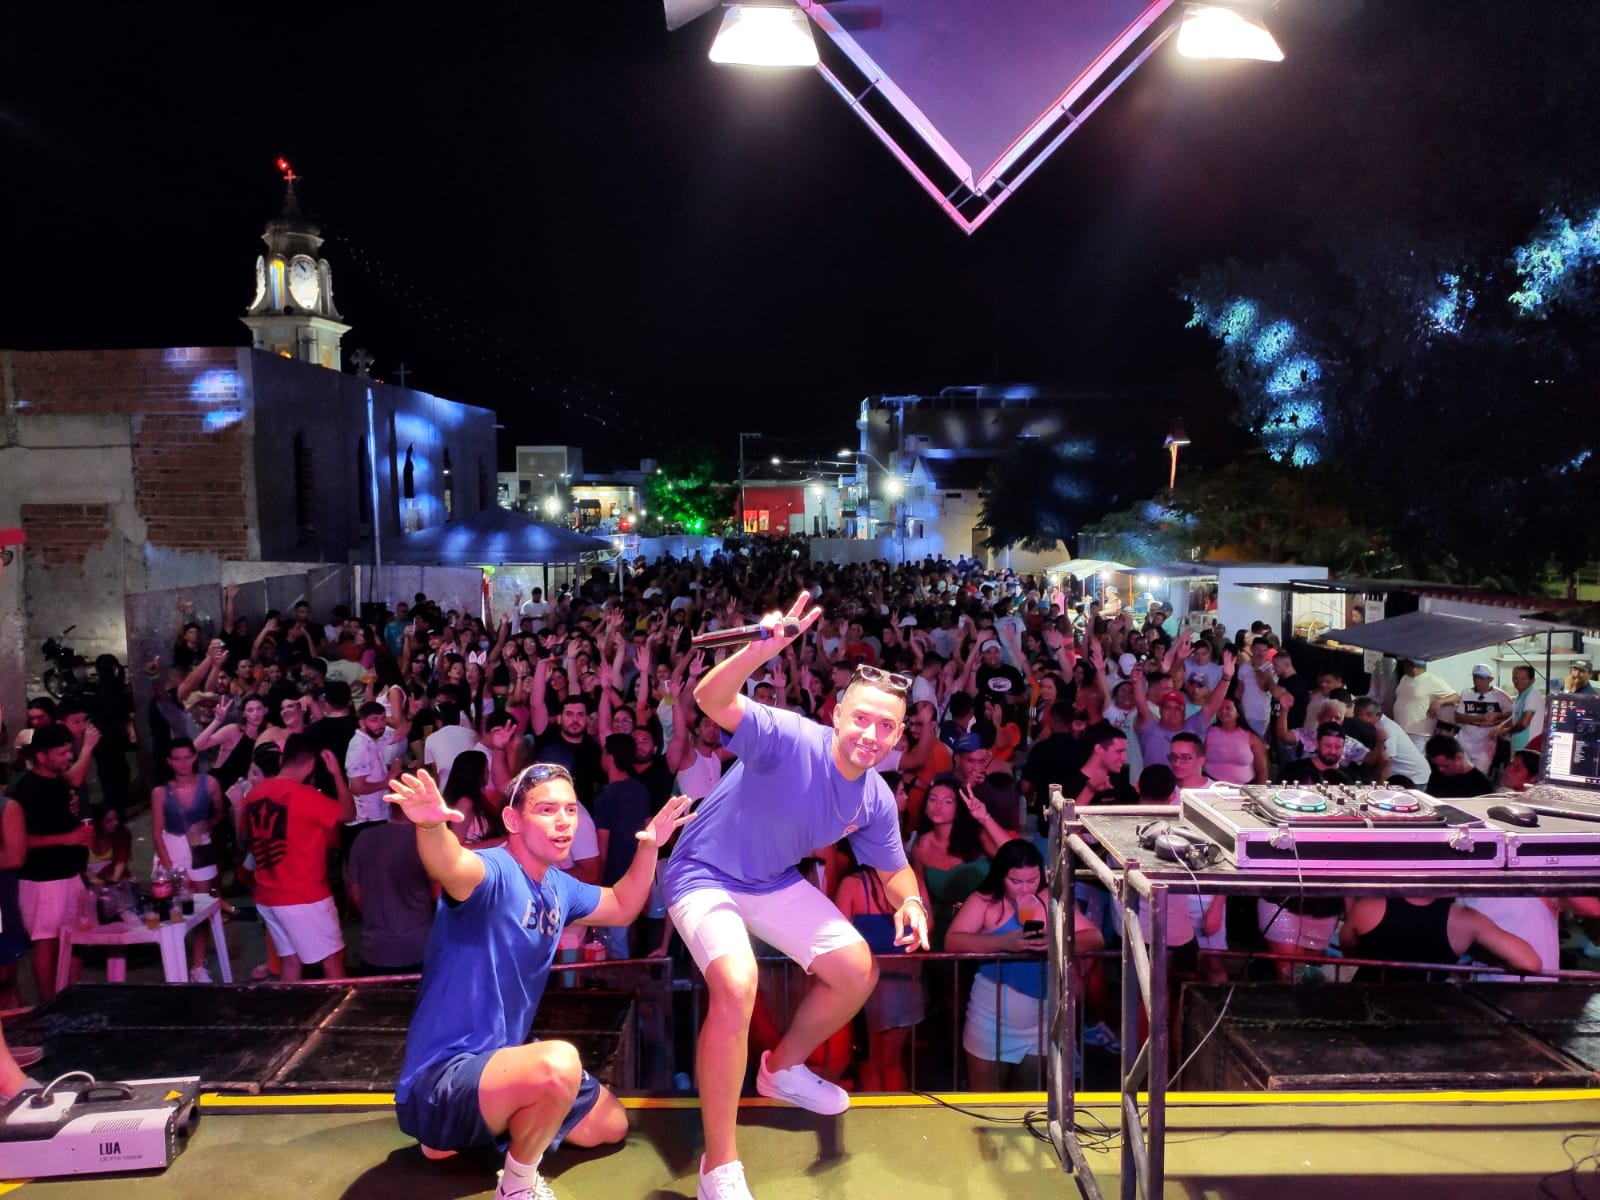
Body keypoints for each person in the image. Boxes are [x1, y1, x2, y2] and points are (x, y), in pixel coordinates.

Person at [662, 594, 928, 1200]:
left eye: (887, 726)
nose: (872, 733)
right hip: (703, 873)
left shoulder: (874, 799)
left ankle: (780, 1071)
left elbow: (895, 871)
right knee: (735, 983)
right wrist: (762, 650)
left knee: (856, 968)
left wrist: (909, 902)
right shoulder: (787, 735)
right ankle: (718, 1167)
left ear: (896, 737)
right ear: (838, 714)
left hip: (771, 881)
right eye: (862, 718)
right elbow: (708, 700)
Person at [386, 762, 693, 1200]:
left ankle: (484, 1128)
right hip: (439, 1080)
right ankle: (516, 1185)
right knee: (559, 1064)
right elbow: (451, 865)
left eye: (570, 809)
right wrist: (432, 826)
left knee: (610, 1125)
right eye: (547, 809)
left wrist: (649, 847)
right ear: (513, 820)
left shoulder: (558, 887)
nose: (563, 820)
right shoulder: (492, 872)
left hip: (495, 1068)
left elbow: (623, 905)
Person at [944, 840, 1102, 1091]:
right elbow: (952, 941)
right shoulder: (984, 901)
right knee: (986, 1102)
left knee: (1028, 1102)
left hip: (1040, 1020)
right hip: (989, 1018)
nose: (1025, 888)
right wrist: (1003, 942)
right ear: (1000, 876)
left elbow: (1095, 938)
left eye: (1032, 879)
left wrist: (1055, 943)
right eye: (1016, 881)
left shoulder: (1051, 899)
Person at [240, 736, 356, 981]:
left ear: (283, 759)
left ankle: (290, 1015)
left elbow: (245, 837)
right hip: (303, 895)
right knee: (333, 958)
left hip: (267, 893)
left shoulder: (253, 795)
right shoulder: (305, 796)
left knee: (290, 961)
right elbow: (348, 813)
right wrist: (336, 774)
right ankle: (338, 1017)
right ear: (312, 764)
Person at [13, 725, 93, 1002]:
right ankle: (49, 1007)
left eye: (70, 750)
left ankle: (71, 999)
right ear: (42, 756)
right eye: (62, 753)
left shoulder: (58, 782)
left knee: (74, 940)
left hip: (69, 874)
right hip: (41, 880)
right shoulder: (26, 790)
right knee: (47, 943)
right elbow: (21, 841)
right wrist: (67, 838)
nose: (68, 757)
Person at [149, 739, 224, 982]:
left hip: (201, 846)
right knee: (172, 910)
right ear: (170, 762)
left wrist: (209, 824)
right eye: (177, 758)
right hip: (172, 845)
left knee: (201, 907)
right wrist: (169, 866)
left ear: (194, 757)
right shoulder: (160, 792)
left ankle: (197, 965)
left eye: (187, 757)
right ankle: (175, 965)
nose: (183, 763)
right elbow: (156, 832)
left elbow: (220, 813)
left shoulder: (210, 783)